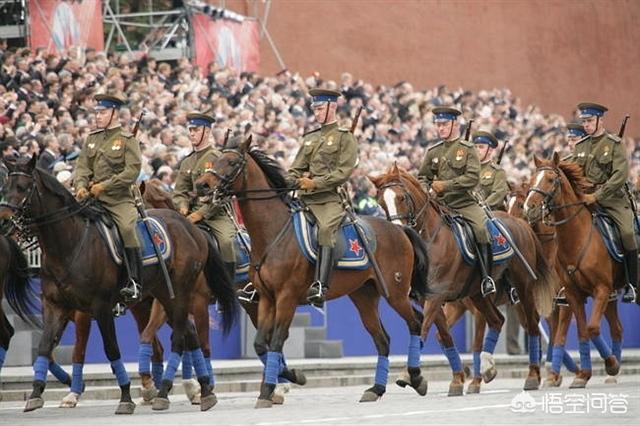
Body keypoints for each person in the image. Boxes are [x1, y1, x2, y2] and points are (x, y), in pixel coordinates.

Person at [286, 89, 358, 306]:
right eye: (314, 109)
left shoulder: (345, 138)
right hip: (304, 198)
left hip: (329, 200)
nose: (316, 113)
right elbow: (295, 169)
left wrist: (315, 183)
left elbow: (342, 173)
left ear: (332, 107)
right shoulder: (310, 138)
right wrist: (289, 181)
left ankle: (320, 285)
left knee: (325, 229)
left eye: (319, 108)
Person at [418, 107, 495, 296]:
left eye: (444, 124)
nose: (440, 128)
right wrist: (428, 189)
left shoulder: (467, 149)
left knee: (481, 230)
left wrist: (445, 185)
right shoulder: (433, 151)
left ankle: (486, 278)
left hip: (464, 203)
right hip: (440, 205)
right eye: (438, 125)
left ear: (455, 124)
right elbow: (422, 178)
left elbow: (472, 179)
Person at [74, 93, 143, 303]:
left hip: (119, 199)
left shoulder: (127, 140)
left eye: (102, 112)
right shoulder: (92, 139)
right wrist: (80, 186)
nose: (98, 116)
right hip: (91, 199)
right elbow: (82, 166)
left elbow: (132, 171)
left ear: (114, 113)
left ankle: (134, 281)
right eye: (96, 113)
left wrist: (104, 186)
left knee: (127, 229)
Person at [572, 102, 638, 304]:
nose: (586, 125)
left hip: (613, 200)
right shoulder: (580, 146)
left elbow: (620, 176)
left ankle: (632, 284)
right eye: (584, 121)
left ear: (601, 120)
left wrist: (598, 195)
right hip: (587, 198)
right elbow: (576, 174)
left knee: (627, 233)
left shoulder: (614, 144)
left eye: (590, 121)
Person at [172, 112, 236, 279]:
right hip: (189, 213)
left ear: (206, 132)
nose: (192, 133)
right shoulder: (187, 161)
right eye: (190, 130)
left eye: (196, 129)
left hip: (216, 215)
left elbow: (223, 194)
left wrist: (200, 214)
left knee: (226, 242)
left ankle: (229, 287)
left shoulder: (216, 158)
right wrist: (183, 206)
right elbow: (179, 191)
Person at [473, 130, 509, 211]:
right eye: (475, 147)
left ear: (490, 150)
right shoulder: (467, 168)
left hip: (486, 213)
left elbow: (498, 194)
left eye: (481, 147)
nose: (477, 150)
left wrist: (482, 206)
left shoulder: (497, 172)